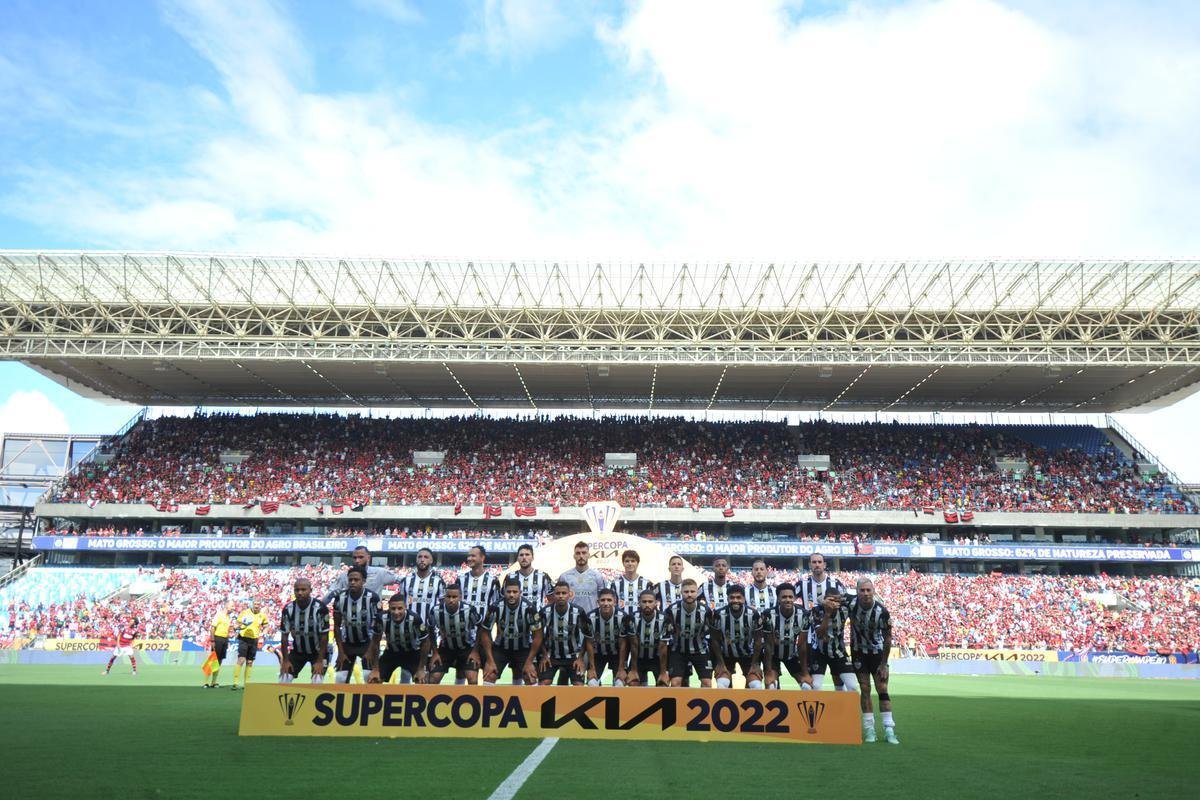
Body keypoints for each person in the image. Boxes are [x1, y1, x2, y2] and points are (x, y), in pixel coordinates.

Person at [850, 578, 898, 744]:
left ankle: (889, 729)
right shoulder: (850, 604)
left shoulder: (882, 612)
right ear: (857, 592)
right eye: (862, 590)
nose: (865, 593)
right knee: (865, 689)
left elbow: (887, 638)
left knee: (882, 689)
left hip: (877, 653)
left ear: (874, 591)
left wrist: (884, 663)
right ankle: (870, 729)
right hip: (858, 652)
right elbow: (828, 599)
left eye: (868, 590)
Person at [327, 566, 383, 684]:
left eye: (356, 580)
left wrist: (370, 650)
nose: (352, 582)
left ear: (363, 581)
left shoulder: (372, 598)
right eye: (350, 580)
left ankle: (371, 702)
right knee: (340, 679)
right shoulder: (340, 598)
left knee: (370, 678)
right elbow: (337, 626)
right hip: (347, 645)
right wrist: (341, 652)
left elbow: (378, 627)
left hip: (367, 643)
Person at [800, 553, 847, 690]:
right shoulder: (802, 584)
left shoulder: (835, 584)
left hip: (834, 637)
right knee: (813, 682)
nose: (817, 564)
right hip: (811, 639)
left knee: (837, 677)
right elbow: (789, 600)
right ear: (810, 565)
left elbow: (846, 600)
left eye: (819, 562)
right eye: (814, 562)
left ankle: (841, 707)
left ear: (824, 564)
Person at [481, 577, 541, 686]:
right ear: (504, 592)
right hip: (501, 649)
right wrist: (489, 660)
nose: (511, 595)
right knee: (489, 675)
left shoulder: (529, 609)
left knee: (530, 677)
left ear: (520, 592)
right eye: (508, 592)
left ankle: (531, 703)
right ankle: (488, 702)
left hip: (523, 649)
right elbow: (485, 632)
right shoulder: (495, 607)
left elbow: (538, 636)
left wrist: (529, 662)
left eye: (515, 592)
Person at [537, 580, 594, 686]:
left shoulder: (579, 612)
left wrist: (581, 657)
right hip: (551, 656)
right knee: (543, 684)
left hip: (573, 656)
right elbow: (537, 635)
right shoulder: (545, 612)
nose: (561, 596)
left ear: (569, 595)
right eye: (558, 593)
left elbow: (588, 635)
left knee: (579, 685)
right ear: (553, 595)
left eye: (564, 593)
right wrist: (544, 655)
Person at [427, 583, 485, 685]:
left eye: (454, 597)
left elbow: (480, 626)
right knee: (433, 679)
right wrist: (435, 652)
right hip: (446, 649)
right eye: (448, 597)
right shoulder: (436, 611)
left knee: (473, 679)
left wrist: (475, 651)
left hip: (467, 648)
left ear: (460, 597)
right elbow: (430, 629)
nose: (451, 600)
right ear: (444, 597)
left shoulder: (469, 609)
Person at [710, 584, 764, 689]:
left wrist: (755, 664)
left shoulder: (753, 614)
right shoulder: (718, 614)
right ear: (727, 598)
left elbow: (758, 641)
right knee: (722, 684)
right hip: (726, 655)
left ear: (744, 599)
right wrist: (720, 663)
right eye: (732, 597)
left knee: (756, 686)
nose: (735, 600)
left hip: (748, 655)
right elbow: (715, 640)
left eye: (738, 597)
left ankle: (748, 704)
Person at [760, 582, 813, 690]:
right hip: (773, 655)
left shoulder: (804, 615)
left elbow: (802, 645)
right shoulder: (768, 615)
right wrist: (769, 671)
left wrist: (805, 672)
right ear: (778, 599)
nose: (788, 599)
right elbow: (768, 645)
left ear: (794, 598)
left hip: (792, 655)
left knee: (807, 686)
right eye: (784, 597)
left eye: (790, 596)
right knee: (771, 686)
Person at [278, 578, 329, 684]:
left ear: (310, 590)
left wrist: (320, 661)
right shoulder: (288, 609)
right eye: (297, 590)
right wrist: (286, 661)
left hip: (318, 653)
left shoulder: (320, 608)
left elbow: (324, 636)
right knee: (283, 680)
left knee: (317, 682)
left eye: (303, 589)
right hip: (298, 652)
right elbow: (284, 636)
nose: (300, 593)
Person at [664, 578, 714, 688]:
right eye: (686, 592)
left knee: (707, 683)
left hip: (700, 650)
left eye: (692, 591)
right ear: (681, 592)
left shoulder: (706, 611)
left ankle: (703, 704)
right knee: (676, 682)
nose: (689, 595)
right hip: (678, 651)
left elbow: (711, 634)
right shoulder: (671, 610)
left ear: (697, 593)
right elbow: (666, 635)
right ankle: (678, 705)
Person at [813, 588, 860, 699]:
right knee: (815, 686)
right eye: (831, 600)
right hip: (820, 653)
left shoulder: (844, 609)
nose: (834, 603)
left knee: (853, 687)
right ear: (825, 600)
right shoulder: (816, 610)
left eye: (837, 601)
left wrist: (823, 599)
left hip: (839, 652)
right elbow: (820, 634)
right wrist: (827, 614)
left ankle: (842, 710)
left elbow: (857, 598)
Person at [373, 594, 430, 685]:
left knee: (422, 681)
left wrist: (420, 669)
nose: (396, 612)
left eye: (400, 608)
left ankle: (415, 699)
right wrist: (375, 669)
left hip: (412, 654)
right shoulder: (381, 618)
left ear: (405, 607)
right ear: (388, 607)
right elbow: (375, 642)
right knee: (374, 680)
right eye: (393, 608)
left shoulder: (415, 619)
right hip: (391, 653)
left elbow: (426, 642)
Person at [322, 546, 403, 602]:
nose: (357, 560)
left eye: (361, 557)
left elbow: (403, 580)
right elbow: (326, 599)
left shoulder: (380, 573)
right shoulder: (344, 576)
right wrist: (332, 594)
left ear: (368, 558)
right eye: (354, 558)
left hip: (373, 622)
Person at [625, 589, 671, 687]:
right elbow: (634, 644)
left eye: (650, 602)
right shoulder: (632, 618)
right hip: (639, 659)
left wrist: (663, 673)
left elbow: (663, 647)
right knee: (633, 683)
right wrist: (633, 670)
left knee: (663, 684)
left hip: (657, 659)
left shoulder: (665, 619)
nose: (647, 604)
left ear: (656, 603)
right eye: (644, 602)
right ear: (639, 603)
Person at [587, 588, 629, 686]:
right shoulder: (590, 617)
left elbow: (623, 644)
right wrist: (592, 668)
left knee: (619, 684)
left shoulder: (623, 617)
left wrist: (621, 668)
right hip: (598, 654)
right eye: (603, 600)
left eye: (609, 600)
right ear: (598, 602)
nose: (606, 603)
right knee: (592, 683)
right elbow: (588, 642)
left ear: (615, 602)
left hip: (617, 655)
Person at [557, 541, 607, 613]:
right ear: (574, 556)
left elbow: (604, 599)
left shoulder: (598, 577)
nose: (581, 556)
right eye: (578, 553)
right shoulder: (564, 577)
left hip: (591, 619)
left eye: (584, 553)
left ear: (589, 555)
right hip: (571, 619)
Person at [230, 599, 269, 690]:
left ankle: (246, 684)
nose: (256, 605)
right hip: (244, 638)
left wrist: (264, 633)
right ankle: (235, 683)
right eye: (255, 603)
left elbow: (266, 626)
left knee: (250, 662)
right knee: (241, 660)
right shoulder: (245, 613)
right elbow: (236, 625)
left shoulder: (262, 615)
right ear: (252, 604)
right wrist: (242, 624)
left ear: (260, 605)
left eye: (258, 604)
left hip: (254, 640)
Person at [400, 547, 445, 620]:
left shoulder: (439, 582)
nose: (422, 559)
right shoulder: (405, 581)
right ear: (416, 559)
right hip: (409, 627)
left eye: (426, 557)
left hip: (430, 628)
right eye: (419, 557)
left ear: (431, 561)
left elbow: (443, 606)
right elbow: (400, 603)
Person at [506, 543, 554, 608]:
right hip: (516, 617)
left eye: (527, 554)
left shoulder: (543, 576)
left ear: (532, 558)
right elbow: (504, 599)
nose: (524, 557)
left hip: (537, 617)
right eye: (521, 555)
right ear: (517, 558)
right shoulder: (510, 577)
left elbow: (552, 599)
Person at [458, 545, 500, 616]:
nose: (469, 558)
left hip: (484, 625)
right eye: (468, 556)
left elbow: (497, 605)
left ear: (482, 558)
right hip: (463, 625)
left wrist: (487, 625)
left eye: (473, 556)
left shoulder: (493, 580)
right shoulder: (460, 579)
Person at [204, 601, 235, 688]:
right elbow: (212, 628)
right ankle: (205, 682)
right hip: (217, 639)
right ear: (227, 606)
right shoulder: (219, 615)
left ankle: (213, 682)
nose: (233, 608)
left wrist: (227, 640)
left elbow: (227, 629)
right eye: (232, 606)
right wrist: (213, 640)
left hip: (224, 639)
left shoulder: (228, 617)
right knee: (213, 660)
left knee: (219, 661)